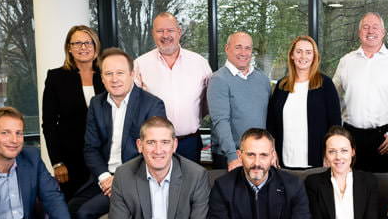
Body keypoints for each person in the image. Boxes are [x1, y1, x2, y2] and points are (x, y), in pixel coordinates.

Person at [68, 48, 166, 219]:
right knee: (70, 210)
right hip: (103, 177)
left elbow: (155, 153)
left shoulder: (152, 104)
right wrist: (104, 176)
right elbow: (90, 148)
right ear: (101, 77)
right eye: (108, 74)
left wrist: (119, 179)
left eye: (120, 73)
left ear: (132, 74)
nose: (114, 79)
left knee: (85, 214)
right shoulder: (97, 104)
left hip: (134, 178)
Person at [333, 12, 388, 172]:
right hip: (351, 137)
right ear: (359, 33)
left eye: (375, 27)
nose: (370, 31)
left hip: (384, 139)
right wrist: (337, 133)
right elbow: (332, 98)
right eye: (365, 27)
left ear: (383, 32)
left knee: (382, 190)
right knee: (352, 188)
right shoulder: (346, 61)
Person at [133, 12, 212, 163]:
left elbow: (209, 101)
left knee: (190, 185)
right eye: (160, 31)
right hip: (154, 146)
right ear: (153, 34)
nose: (165, 35)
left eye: (170, 30)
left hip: (190, 142)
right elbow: (133, 106)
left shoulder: (199, 63)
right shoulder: (140, 64)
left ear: (179, 32)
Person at [41, 25, 105, 199]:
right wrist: (57, 162)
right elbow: (48, 124)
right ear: (69, 48)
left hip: (104, 157)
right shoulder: (56, 77)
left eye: (87, 42)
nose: (83, 47)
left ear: (95, 46)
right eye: (77, 43)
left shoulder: (106, 75)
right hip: (71, 160)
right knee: (74, 209)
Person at [267, 35, 341, 169]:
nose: (303, 56)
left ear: (314, 57)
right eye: (299, 51)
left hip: (317, 161)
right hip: (284, 162)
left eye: (308, 52)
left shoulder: (325, 84)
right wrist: (272, 151)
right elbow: (271, 124)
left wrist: (330, 153)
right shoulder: (281, 85)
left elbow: (335, 125)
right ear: (292, 55)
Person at [207, 32, 271, 170]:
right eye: (238, 47)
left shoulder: (262, 80)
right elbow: (220, 121)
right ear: (227, 48)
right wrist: (232, 156)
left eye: (248, 48)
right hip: (232, 156)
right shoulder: (218, 80)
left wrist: (271, 151)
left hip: (259, 155)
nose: (243, 52)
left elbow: (269, 120)